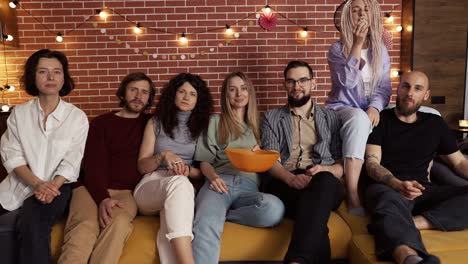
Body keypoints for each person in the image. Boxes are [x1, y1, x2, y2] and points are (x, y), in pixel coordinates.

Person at [364, 71, 468, 264]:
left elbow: (459, 162)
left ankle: (403, 223)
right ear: (398, 88)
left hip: (423, 190)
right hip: (387, 188)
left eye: (417, 88)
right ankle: (411, 259)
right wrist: (396, 184)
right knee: (388, 202)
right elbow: (371, 164)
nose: (410, 93)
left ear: (426, 95)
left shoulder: (435, 124)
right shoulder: (381, 120)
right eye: (406, 86)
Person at [0, 49, 89, 264]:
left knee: (32, 222)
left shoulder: (77, 117)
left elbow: (71, 161)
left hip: (57, 188)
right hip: (19, 183)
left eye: (57, 72)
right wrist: (37, 183)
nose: (51, 77)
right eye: (43, 71)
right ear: (33, 76)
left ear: (63, 78)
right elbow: (11, 155)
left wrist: (51, 186)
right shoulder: (19, 114)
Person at [58, 72, 155, 264]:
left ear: (149, 98)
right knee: (85, 226)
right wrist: (103, 198)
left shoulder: (151, 124)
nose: (138, 96)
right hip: (89, 187)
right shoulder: (101, 124)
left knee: (118, 224)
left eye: (144, 92)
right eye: (133, 89)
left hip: (126, 193)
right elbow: (92, 166)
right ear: (123, 93)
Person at [192, 72, 284, 264]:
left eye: (243, 88)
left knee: (274, 209)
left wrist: (262, 155)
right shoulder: (214, 122)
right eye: (232, 89)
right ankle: (213, 214)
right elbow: (204, 162)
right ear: (225, 95)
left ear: (249, 92)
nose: (238, 94)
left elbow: (271, 163)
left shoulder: (259, 126)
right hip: (218, 183)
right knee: (206, 223)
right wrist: (214, 178)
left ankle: (223, 215)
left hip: (248, 188)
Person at [262, 60, 344, 264]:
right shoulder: (271, 118)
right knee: (314, 214)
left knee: (323, 182)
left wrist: (325, 169)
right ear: (284, 85)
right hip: (285, 183)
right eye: (290, 81)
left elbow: (342, 163)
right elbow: (270, 160)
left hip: (324, 182)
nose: (296, 86)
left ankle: (296, 259)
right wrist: (290, 179)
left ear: (313, 83)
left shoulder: (331, 118)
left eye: (302, 80)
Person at [133, 73, 213, 264]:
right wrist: (163, 155)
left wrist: (187, 170)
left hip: (183, 187)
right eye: (182, 92)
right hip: (151, 186)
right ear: (173, 94)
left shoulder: (204, 127)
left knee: (172, 214)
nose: (186, 97)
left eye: (192, 94)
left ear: (198, 100)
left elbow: (203, 170)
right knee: (179, 184)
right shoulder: (155, 122)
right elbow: (142, 166)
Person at [327, 0, 391, 213]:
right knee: (359, 118)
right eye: (356, 10)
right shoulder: (337, 49)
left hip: (370, 108)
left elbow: (384, 88)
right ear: (348, 17)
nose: (361, 14)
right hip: (343, 107)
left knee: (429, 113)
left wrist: (375, 106)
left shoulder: (381, 50)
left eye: (365, 10)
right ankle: (352, 191)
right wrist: (356, 44)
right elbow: (347, 83)